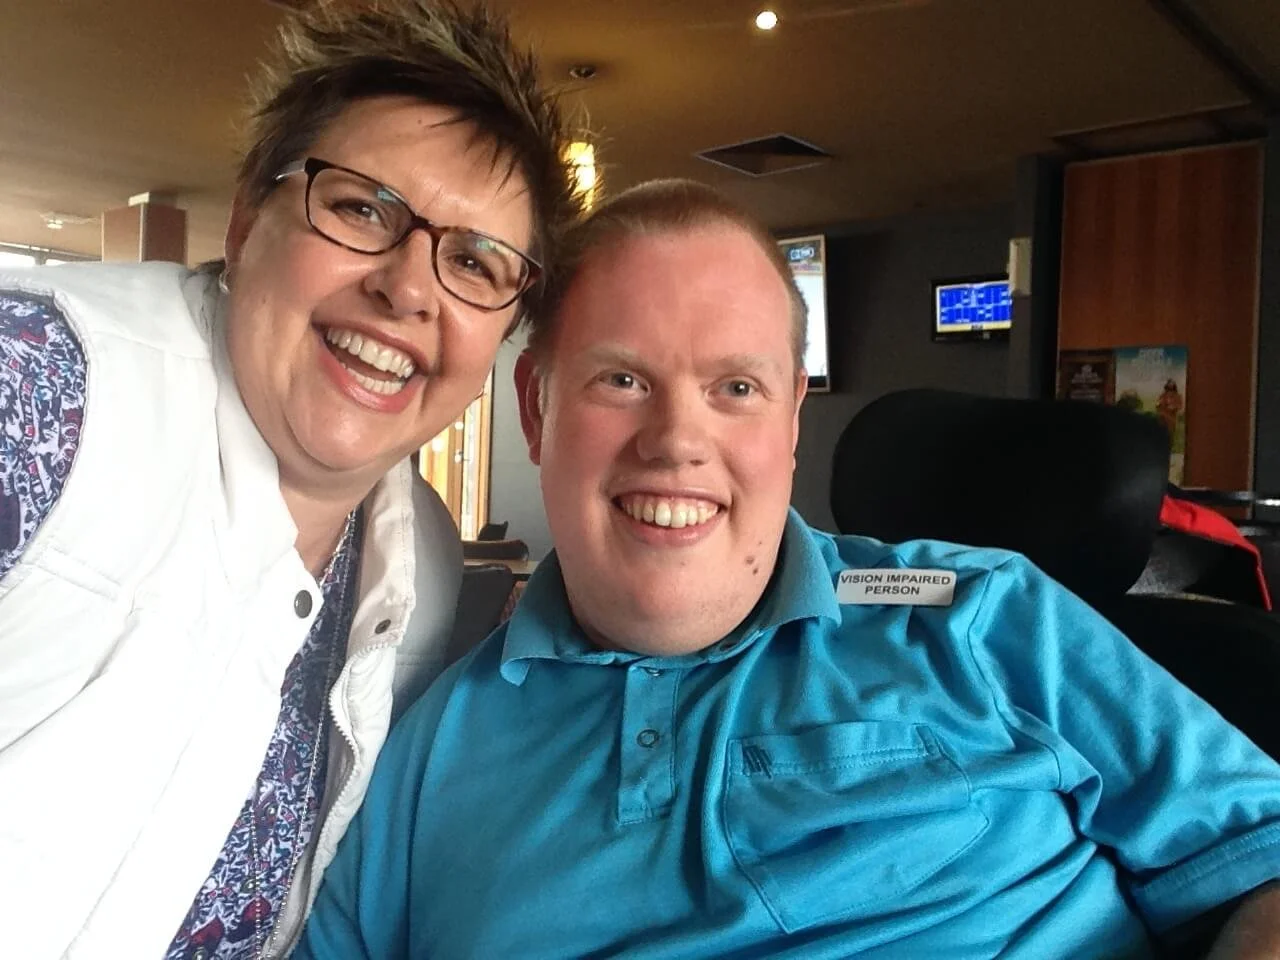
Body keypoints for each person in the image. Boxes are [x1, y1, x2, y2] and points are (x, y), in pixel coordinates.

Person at [296, 180, 1280, 959]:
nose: (677, 440)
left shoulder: (984, 617)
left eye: (734, 387)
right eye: (622, 379)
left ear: (789, 425)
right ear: (535, 408)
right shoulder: (419, 753)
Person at [0, 1, 579, 957]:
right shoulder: (43, 392)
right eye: (360, 208)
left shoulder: (420, 559)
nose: (408, 288)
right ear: (244, 217)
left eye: (476, 261)